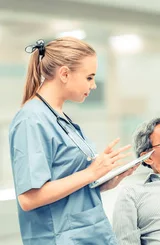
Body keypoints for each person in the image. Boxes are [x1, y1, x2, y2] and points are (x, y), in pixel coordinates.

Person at [8, 37, 135, 245]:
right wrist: (91, 172)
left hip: (90, 233)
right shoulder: (31, 120)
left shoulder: (59, 117)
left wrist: (103, 179)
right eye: (89, 77)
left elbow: (71, 183)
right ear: (65, 74)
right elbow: (29, 198)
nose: (93, 85)